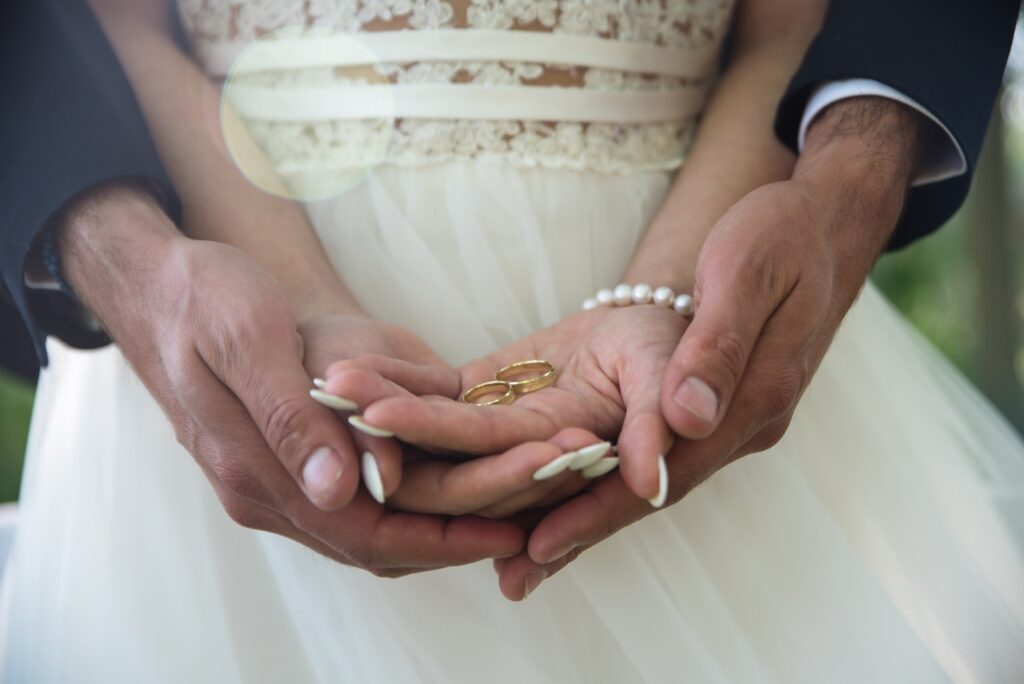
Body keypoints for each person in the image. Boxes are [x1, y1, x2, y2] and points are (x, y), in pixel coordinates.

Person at [2, 0, 1023, 682]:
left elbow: (784, 23)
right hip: (229, 279)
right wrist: (301, 299)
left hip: (701, 261)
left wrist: (661, 294)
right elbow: (115, 19)